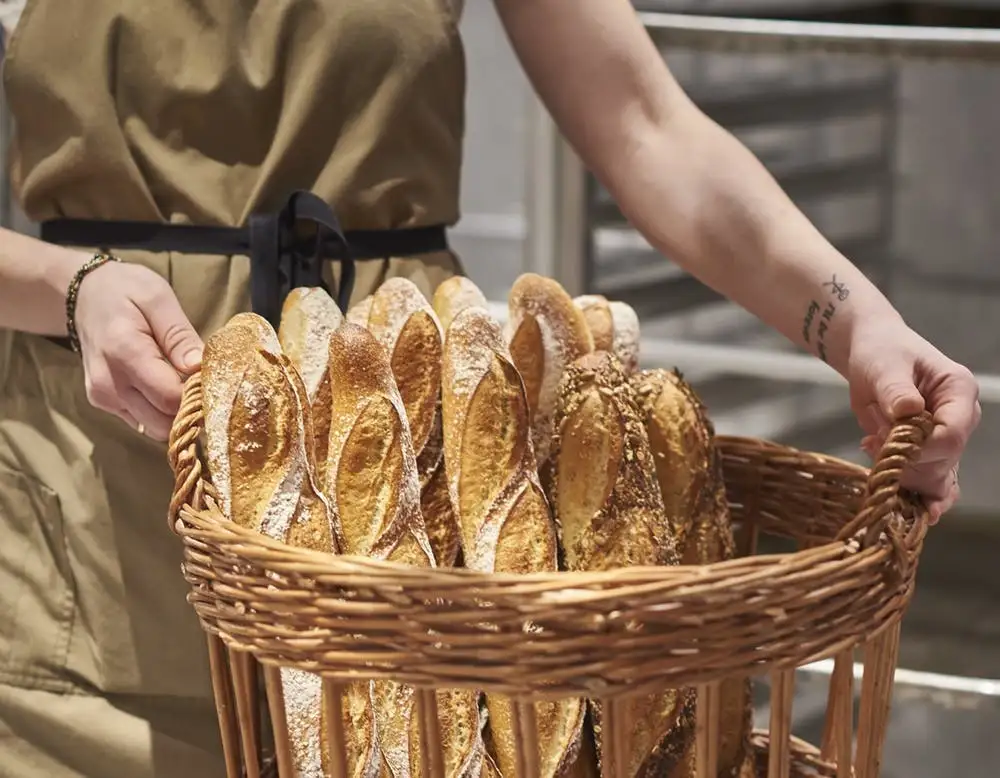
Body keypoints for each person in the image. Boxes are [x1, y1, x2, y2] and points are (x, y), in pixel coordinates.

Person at [0, 1, 980, 776]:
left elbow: (644, 123)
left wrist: (854, 323)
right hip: (103, 502)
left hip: (426, 472)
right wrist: (69, 286)